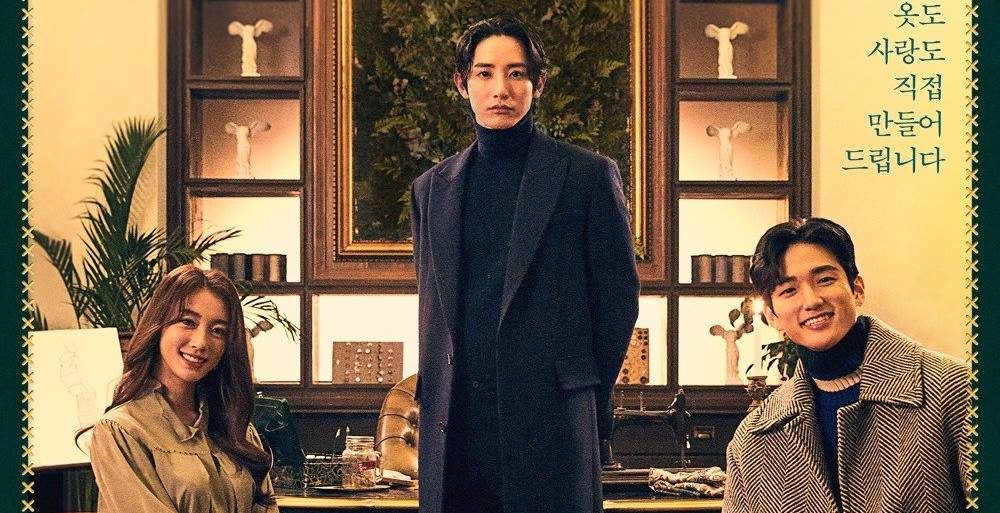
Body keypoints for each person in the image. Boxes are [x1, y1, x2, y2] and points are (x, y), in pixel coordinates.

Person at [409, 14, 640, 513]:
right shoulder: (431, 189)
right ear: (462, 83)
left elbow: (618, 302)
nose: (501, 89)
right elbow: (432, 308)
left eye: (516, 73)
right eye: (485, 73)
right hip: (455, 431)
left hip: (552, 422)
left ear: (538, 84)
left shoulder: (586, 176)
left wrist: (583, 397)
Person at [723, 218, 971, 513]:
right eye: (788, 290)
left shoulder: (954, 388)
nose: (812, 300)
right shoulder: (752, 440)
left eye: (825, 280)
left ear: (857, 289)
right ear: (772, 315)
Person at [82, 265, 278, 513]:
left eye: (218, 331)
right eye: (188, 322)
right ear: (159, 325)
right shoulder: (121, 431)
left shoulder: (237, 428)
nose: (201, 342)